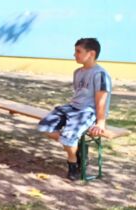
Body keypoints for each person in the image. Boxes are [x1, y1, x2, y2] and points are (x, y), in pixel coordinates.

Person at [37, 38, 111, 180]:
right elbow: (79, 94)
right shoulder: (77, 72)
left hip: (87, 112)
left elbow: (101, 100)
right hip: (72, 107)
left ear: (91, 53)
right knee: (45, 127)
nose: (74, 54)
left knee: (68, 138)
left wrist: (100, 122)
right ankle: (78, 149)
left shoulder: (100, 74)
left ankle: (73, 164)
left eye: (78, 51)